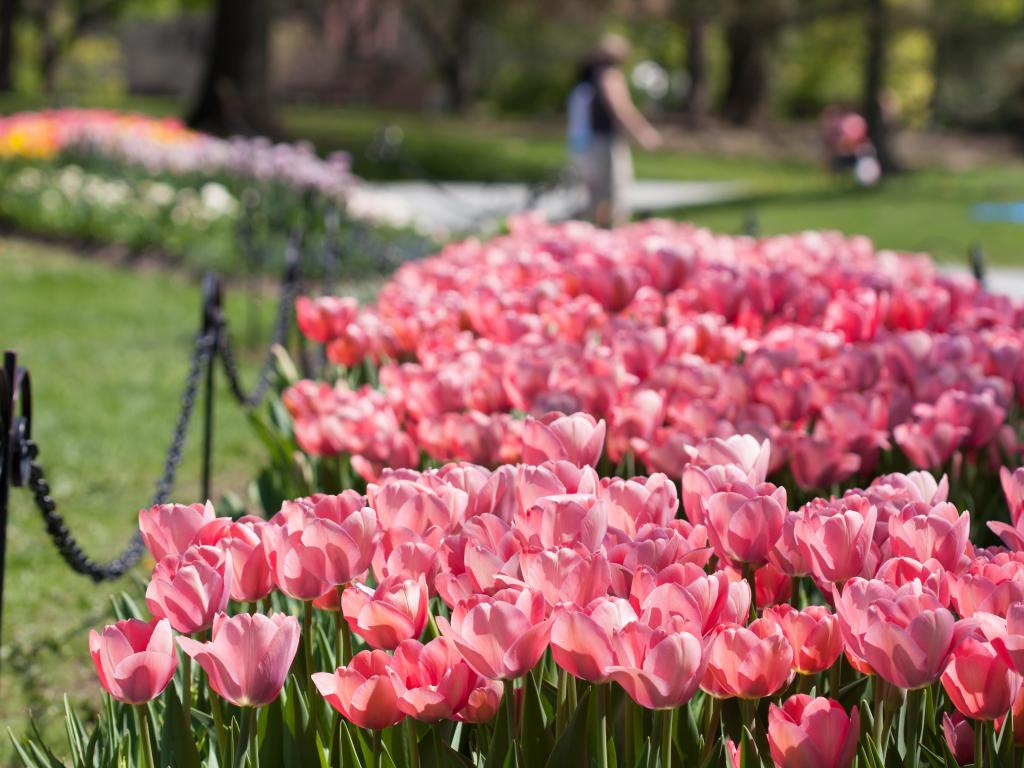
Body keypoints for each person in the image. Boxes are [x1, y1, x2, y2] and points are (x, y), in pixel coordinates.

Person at [567, 33, 662, 227]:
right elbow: (621, 107)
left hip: (586, 143)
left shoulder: (589, 76)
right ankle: (610, 234)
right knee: (615, 192)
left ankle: (581, 230)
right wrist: (642, 132)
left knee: (593, 192)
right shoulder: (610, 75)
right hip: (605, 142)